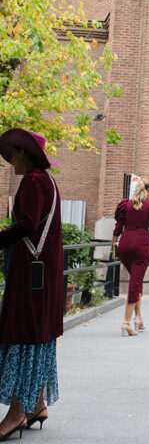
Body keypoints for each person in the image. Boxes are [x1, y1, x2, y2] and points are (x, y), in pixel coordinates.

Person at [0, 129, 62, 440]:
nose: (10, 159)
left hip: (30, 273)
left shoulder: (34, 181)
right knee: (38, 333)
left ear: (24, 153)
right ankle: (37, 403)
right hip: (44, 272)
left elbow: (25, 223)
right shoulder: (48, 182)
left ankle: (15, 414)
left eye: (13, 152)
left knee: (23, 332)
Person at [112, 177, 149, 335]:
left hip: (125, 245)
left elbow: (117, 228)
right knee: (134, 285)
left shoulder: (125, 205)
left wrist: (113, 247)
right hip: (141, 246)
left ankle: (138, 318)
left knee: (136, 281)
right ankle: (126, 323)